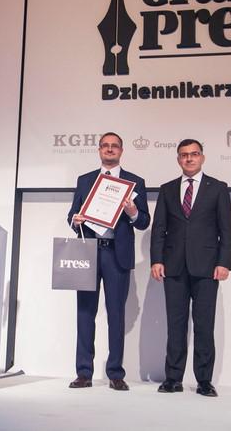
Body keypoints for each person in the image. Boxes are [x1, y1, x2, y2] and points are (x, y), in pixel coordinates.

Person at [67, 132, 150, 391]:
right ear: (99, 150)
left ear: (121, 151)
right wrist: (76, 220)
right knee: (85, 313)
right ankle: (84, 373)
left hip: (117, 254)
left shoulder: (135, 182)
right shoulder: (85, 180)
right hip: (89, 252)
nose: (110, 149)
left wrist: (132, 212)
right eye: (105, 145)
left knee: (116, 315)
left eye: (115, 146)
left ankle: (115, 373)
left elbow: (144, 221)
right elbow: (72, 215)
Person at [150, 139, 231, 397]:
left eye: (194, 154)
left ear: (202, 157)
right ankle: (173, 378)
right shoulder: (167, 189)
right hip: (173, 266)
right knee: (175, 324)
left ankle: (204, 381)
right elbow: (159, 228)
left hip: (207, 267)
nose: (189, 158)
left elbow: (226, 230)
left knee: (204, 326)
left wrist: (224, 262)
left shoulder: (217, 188)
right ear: (178, 159)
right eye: (184, 155)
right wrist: (156, 259)